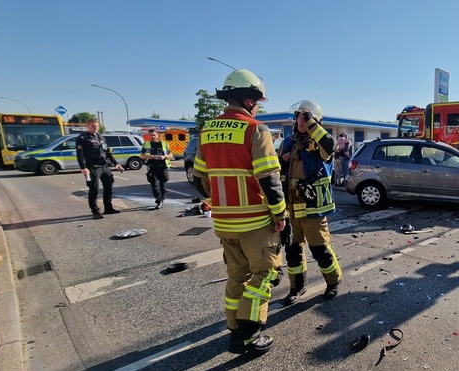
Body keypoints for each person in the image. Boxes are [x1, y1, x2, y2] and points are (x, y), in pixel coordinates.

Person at [192, 69, 287, 355]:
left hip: (224, 223)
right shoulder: (255, 129)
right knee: (267, 275)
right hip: (256, 222)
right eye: (258, 101)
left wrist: (220, 201)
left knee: (237, 276)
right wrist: (280, 215)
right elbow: (269, 179)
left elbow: (199, 179)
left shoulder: (207, 131)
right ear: (248, 99)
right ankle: (248, 334)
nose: (258, 107)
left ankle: (234, 329)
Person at [279, 99, 342, 305]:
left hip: (313, 207)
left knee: (320, 250)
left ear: (315, 120)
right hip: (290, 208)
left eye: (305, 117)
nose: (300, 120)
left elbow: (330, 147)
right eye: (298, 116)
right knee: (293, 251)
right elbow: (276, 171)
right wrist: (282, 161)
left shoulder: (320, 141)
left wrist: (312, 123)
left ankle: (333, 283)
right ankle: (297, 288)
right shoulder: (287, 143)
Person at [76, 119, 124, 219]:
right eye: (93, 126)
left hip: (105, 166)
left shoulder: (101, 137)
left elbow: (108, 152)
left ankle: (108, 208)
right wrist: (83, 168)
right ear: (88, 126)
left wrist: (116, 164)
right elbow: (79, 155)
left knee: (108, 188)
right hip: (93, 167)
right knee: (94, 189)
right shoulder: (82, 138)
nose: (96, 128)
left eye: (97, 126)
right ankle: (95, 211)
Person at [140, 129, 173, 209]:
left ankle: (162, 198)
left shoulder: (165, 144)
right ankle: (158, 201)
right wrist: (148, 156)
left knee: (163, 186)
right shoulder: (146, 144)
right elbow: (141, 156)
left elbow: (171, 155)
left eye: (154, 135)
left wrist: (164, 157)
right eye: (151, 135)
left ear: (157, 135)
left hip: (162, 166)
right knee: (155, 185)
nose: (152, 137)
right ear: (149, 135)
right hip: (152, 167)